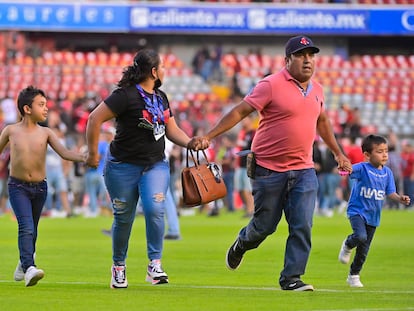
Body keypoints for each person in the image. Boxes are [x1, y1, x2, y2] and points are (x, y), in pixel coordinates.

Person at [188, 35, 352, 291]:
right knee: (264, 227)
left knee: (302, 225)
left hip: (304, 169)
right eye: (301, 55)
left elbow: (323, 122)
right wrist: (209, 136)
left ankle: (291, 278)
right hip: (268, 170)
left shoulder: (318, 89)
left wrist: (338, 153)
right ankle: (241, 244)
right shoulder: (270, 85)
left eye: (311, 55)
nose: (308, 60)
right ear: (288, 60)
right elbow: (241, 111)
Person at [85, 49, 191, 288]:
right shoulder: (124, 96)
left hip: (154, 164)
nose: (165, 70)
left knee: (155, 207)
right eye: (162, 66)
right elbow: (94, 119)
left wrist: (190, 142)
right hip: (122, 166)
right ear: (153, 72)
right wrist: (92, 154)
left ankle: (155, 264)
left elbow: (172, 130)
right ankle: (118, 267)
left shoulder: (161, 97)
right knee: (123, 217)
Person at [0, 86, 85, 287]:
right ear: (27, 109)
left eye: (46, 105)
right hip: (17, 187)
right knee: (26, 227)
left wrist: (85, 157)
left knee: (33, 230)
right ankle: (30, 268)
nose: (46, 109)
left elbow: (65, 153)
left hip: (40, 188)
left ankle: (23, 263)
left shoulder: (46, 132)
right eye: (41, 105)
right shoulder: (10, 131)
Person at [338, 134, 410, 287]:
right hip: (357, 211)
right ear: (367, 155)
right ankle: (348, 244)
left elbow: (390, 193)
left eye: (386, 151)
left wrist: (399, 198)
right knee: (360, 236)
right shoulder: (362, 168)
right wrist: (343, 169)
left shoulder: (387, 173)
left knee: (364, 250)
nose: (384, 154)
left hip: (373, 216)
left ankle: (353, 275)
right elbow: (347, 171)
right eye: (379, 151)